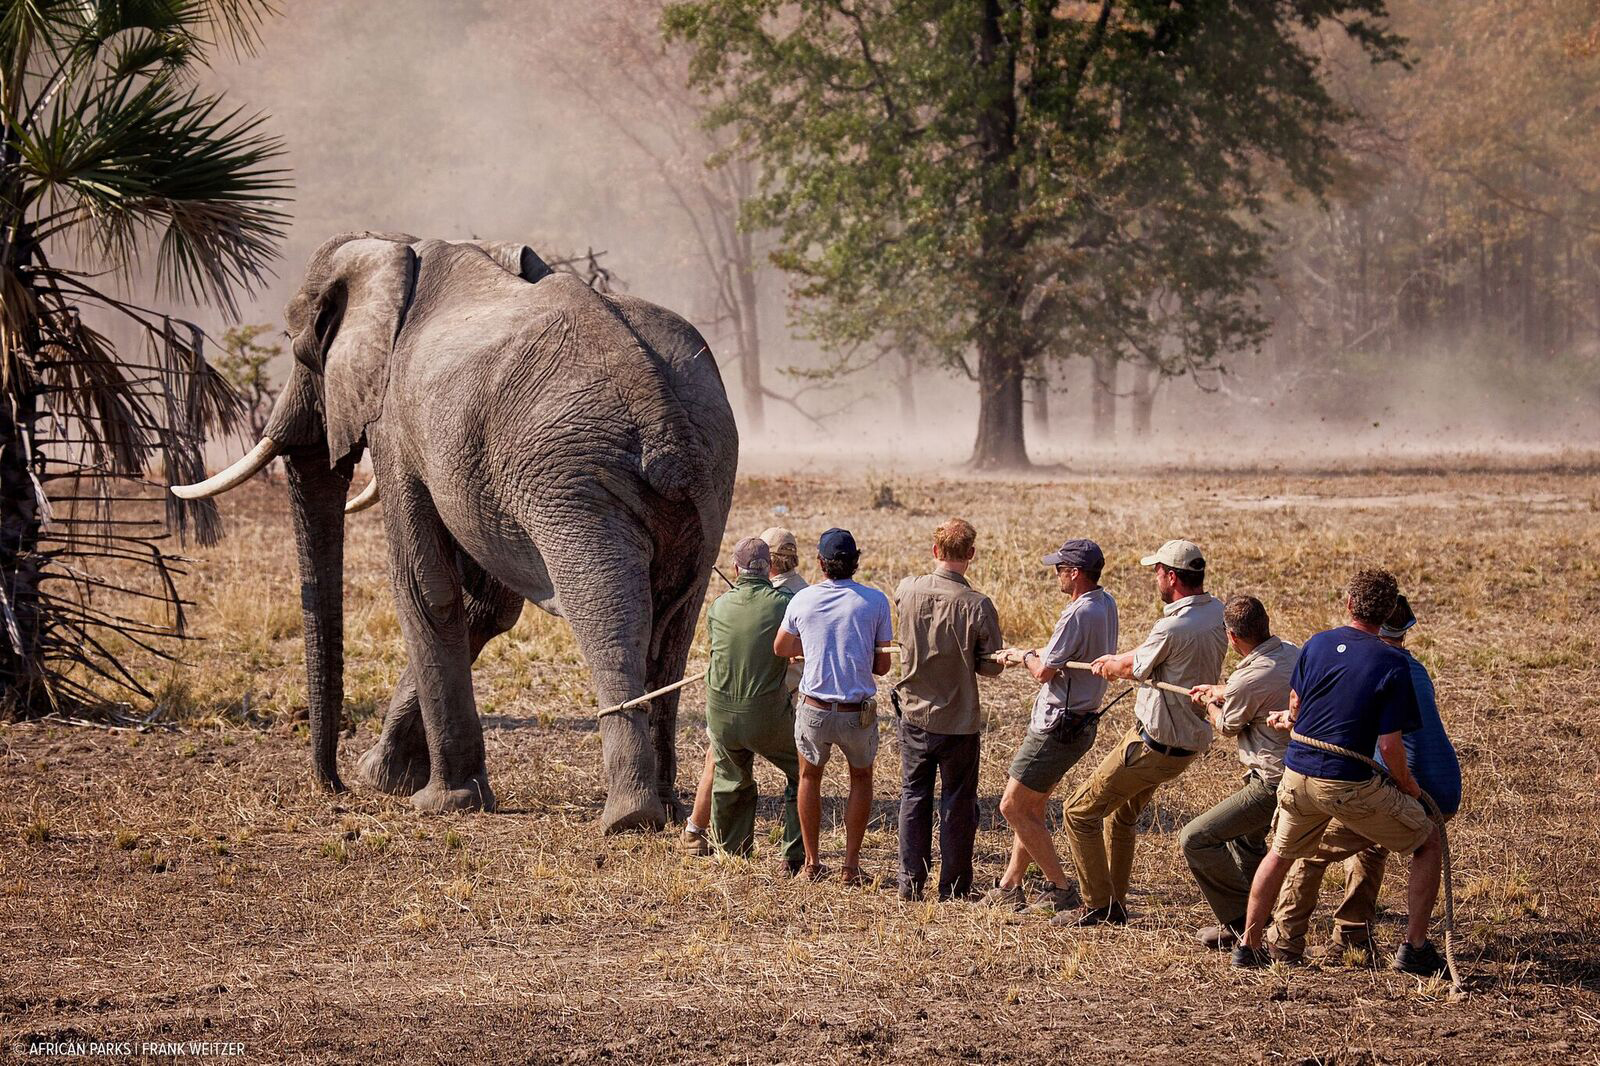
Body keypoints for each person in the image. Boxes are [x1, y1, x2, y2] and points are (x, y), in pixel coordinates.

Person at [1234, 569, 1448, 977]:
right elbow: (1389, 746)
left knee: (1279, 855)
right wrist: (1408, 787)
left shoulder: (1317, 643)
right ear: (1387, 614)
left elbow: (1296, 706)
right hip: (1346, 784)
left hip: (1295, 773)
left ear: (1349, 604)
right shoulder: (1394, 663)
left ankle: (1250, 946)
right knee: (1429, 842)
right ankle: (1416, 946)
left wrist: (1291, 718)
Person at [1059, 539, 1227, 926]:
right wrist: (1121, 659)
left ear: (1171, 576)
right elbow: (1150, 655)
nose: (1155, 577)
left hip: (1153, 745)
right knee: (1120, 817)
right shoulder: (1214, 611)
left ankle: (1098, 904)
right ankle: (1113, 902)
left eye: (1157, 571)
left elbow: (1136, 667)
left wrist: (1114, 665)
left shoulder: (1171, 626)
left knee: (1078, 812)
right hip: (1185, 744)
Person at [983, 538, 1119, 914]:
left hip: (1057, 725)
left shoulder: (1076, 613)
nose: (1056, 575)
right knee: (1033, 806)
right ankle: (1011, 884)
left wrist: (1026, 656)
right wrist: (1030, 653)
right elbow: (1063, 654)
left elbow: (1044, 672)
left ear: (1075, 573)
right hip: (1079, 723)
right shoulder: (1105, 603)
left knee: (1012, 807)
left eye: (1060, 569)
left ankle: (1059, 887)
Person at [891, 518, 1005, 901]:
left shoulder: (907, 590)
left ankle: (911, 882)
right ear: (970, 555)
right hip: (958, 721)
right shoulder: (978, 605)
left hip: (914, 717)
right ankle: (954, 887)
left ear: (935, 551)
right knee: (958, 803)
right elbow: (991, 667)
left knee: (914, 796)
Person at [774, 528, 893, 884]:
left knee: (810, 776)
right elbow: (883, 666)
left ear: (820, 563)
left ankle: (811, 862)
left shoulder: (803, 599)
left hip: (814, 708)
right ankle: (850, 866)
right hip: (856, 711)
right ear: (856, 561)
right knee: (861, 778)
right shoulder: (875, 601)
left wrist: (808, 649)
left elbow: (780, 648)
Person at [1179, 595, 1298, 950]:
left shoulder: (1248, 677)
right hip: (1296, 772)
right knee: (1246, 839)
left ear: (1232, 637)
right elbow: (1255, 685)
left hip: (1271, 781)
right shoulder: (1292, 652)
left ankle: (1239, 924)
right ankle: (1254, 919)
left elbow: (1229, 725)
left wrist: (1209, 705)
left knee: (1196, 838)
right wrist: (1222, 689)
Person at [678, 528, 806, 856]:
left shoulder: (718, 606)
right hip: (771, 710)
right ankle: (795, 855)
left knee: (726, 768)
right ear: (770, 567)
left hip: (721, 710)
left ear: (736, 569)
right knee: (804, 770)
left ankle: (727, 851)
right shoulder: (792, 601)